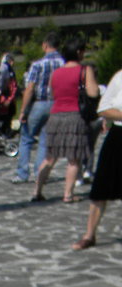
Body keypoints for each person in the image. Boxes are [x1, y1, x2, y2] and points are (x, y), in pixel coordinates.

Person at [32, 39, 99, 203]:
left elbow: (53, 93)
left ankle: (37, 191)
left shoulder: (56, 73)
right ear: (78, 53)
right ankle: (68, 194)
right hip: (74, 115)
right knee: (74, 158)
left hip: (55, 115)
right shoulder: (84, 70)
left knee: (50, 157)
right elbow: (93, 92)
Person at [72, 67, 122, 250]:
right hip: (119, 135)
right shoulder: (119, 77)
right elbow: (104, 109)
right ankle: (89, 234)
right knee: (102, 185)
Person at [12, 32, 64, 183]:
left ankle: (22, 173)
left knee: (26, 138)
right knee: (45, 140)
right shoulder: (63, 63)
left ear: (45, 45)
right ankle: (39, 173)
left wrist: (23, 110)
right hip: (56, 103)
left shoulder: (37, 64)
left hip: (39, 102)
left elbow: (30, 88)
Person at [0, 52, 18, 135]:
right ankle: (4, 130)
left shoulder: (2, 67)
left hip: (1, 94)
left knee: (3, 116)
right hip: (4, 94)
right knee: (5, 115)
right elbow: (11, 84)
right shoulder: (6, 68)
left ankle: (2, 130)